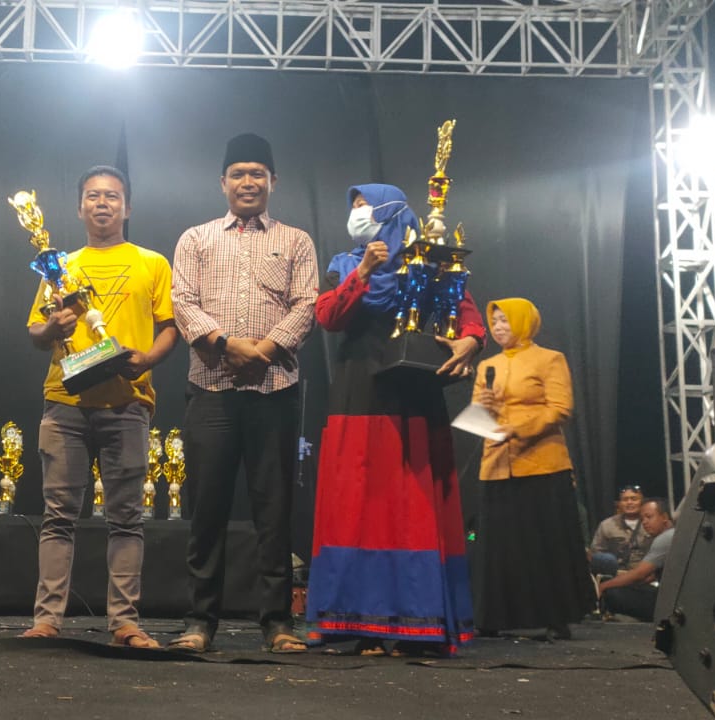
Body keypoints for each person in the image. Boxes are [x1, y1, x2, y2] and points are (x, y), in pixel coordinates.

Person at [306, 184, 484, 657]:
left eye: (363, 206)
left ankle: (414, 623)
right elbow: (328, 317)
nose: (357, 214)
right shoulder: (344, 263)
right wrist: (364, 271)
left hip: (412, 395)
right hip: (357, 395)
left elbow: (467, 313)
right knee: (358, 501)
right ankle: (357, 621)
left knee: (410, 503)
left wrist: (471, 341)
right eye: (353, 207)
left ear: (390, 212)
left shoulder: (427, 260)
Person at [168, 133, 319, 654]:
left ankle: (277, 623)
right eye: (238, 173)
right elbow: (182, 302)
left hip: (275, 391)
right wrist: (226, 344)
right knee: (206, 509)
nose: (248, 182)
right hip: (211, 390)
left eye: (257, 173)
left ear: (273, 181)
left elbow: (306, 305)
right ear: (223, 182)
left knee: (273, 512)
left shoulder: (296, 241)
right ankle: (199, 622)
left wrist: (266, 350)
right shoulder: (196, 238)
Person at [19, 165, 177, 649]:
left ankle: (124, 622)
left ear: (127, 207)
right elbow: (35, 332)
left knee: (126, 517)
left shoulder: (152, 262)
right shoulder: (58, 264)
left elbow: (170, 327)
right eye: (92, 196)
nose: (102, 203)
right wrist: (53, 329)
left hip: (127, 402)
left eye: (111, 196)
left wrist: (147, 359)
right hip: (64, 402)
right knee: (58, 516)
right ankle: (47, 620)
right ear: (80, 207)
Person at [471, 297, 595, 640]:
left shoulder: (549, 359)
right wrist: (484, 409)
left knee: (544, 543)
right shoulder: (487, 366)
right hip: (496, 465)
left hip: (542, 464)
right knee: (499, 545)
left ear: (524, 322)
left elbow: (561, 408)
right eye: (495, 322)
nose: (498, 328)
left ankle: (556, 616)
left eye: (505, 321)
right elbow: (478, 418)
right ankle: (492, 617)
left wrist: (518, 428)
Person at [598, 498, 674, 621]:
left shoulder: (665, 538)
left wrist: (603, 586)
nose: (644, 522)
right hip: (673, 598)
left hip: (669, 603)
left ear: (664, 517)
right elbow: (649, 577)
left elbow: (639, 574)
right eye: (642, 519)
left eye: (649, 517)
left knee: (612, 593)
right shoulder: (674, 534)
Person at [589, 485, 652, 577]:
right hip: (616, 575)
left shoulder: (652, 523)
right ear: (619, 503)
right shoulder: (607, 525)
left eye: (634, 499)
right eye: (625, 499)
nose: (629, 502)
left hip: (647, 574)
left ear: (642, 502)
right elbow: (596, 553)